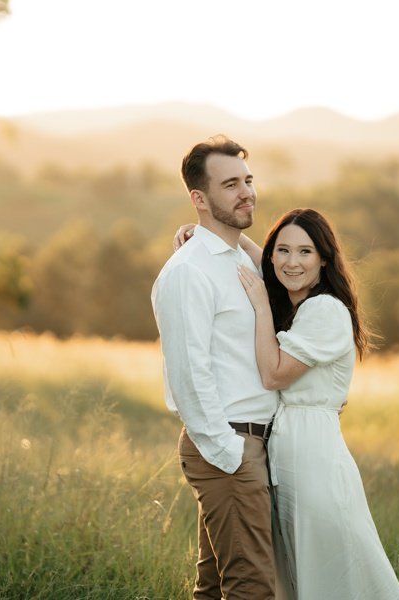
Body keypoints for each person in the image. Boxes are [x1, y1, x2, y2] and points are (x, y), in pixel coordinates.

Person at [230, 208, 399, 599]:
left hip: (314, 456)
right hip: (290, 450)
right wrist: (216, 233)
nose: (293, 262)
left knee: (332, 568)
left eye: (306, 252)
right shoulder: (299, 304)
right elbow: (273, 264)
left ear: (324, 259)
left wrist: (260, 305)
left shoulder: (324, 310)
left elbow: (274, 375)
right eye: (284, 250)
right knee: (299, 570)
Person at [151, 135, 279, 598]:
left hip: (252, 443)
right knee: (254, 588)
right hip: (229, 444)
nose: (246, 191)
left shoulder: (241, 261)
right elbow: (189, 373)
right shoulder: (190, 271)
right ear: (199, 199)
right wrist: (228, 453)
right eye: (230, 184)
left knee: (215, 587)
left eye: (247, 180)